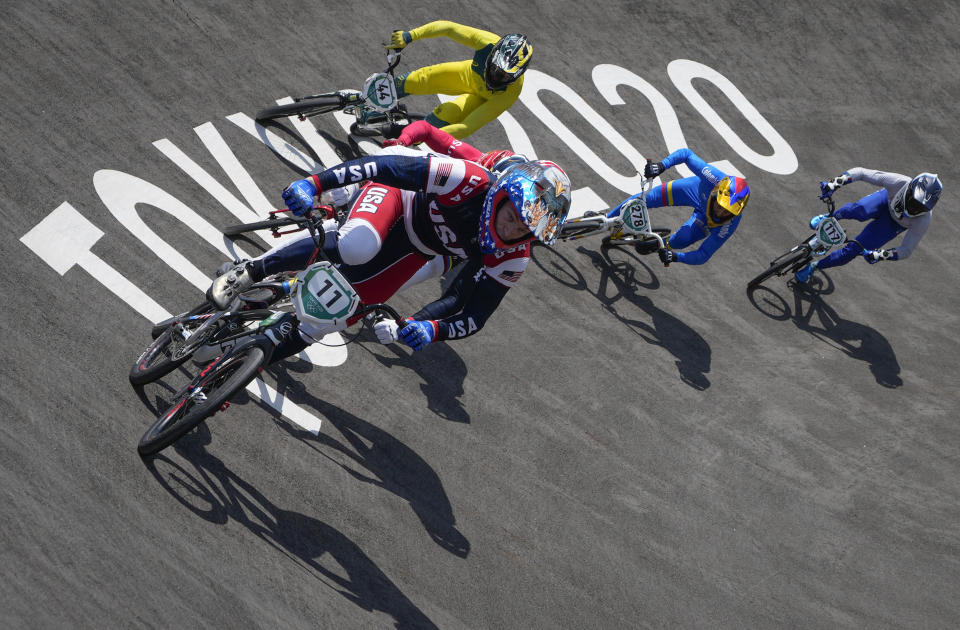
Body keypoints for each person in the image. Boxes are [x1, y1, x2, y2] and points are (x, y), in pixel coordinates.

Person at [207, 149, 571, 359]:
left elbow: (475, 314)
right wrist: (314, 184)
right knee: (356, 246)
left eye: (525, 229)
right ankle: (251, 270)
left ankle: (248, 359)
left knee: (337, 318)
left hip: (415, 249)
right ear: (505, 194)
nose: (512, 230)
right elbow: (384, 167)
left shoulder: (514, 257)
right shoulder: (468, 178)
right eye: (512, 217)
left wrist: (431, 329)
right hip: (398, 199)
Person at [384, 21, 532, 139]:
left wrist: (417, 135)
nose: (495, 77)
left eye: (504, 76)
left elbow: (466, 127)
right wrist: (410, 36)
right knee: (417, 79)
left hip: (482, 99)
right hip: (468, 76)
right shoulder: (487, 42)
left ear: (516, 76)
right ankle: (365, 99)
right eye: (495, 68)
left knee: (444, 117)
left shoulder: (511, 92)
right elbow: (448, 28)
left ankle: (408, 133)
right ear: (492, 54)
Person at [794, 169, 942, 283]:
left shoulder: (923, 220)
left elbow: (906, 250)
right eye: (913, 202)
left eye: (921, 207)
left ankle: (814, 266)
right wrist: (835, 183)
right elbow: (861, 173)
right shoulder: (898, 182)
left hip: (890, 225)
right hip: (884, 202)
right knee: (857, 211)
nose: (915, 208)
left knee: (852, 251)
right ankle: (829, 218)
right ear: (909, 189)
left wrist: (881, 255)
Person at [607, 148, 751, 266]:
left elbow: (704, 255)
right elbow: (686, 154)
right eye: (720, 205)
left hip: (704, 220)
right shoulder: (713, 178)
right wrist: (661, 165)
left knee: (682, 238)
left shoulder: (729, 225)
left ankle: (658, 244)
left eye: (727, 212)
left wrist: (675, 256)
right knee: (644, 199)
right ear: (716, 192)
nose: (720, 213)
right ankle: (607, 218)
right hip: (694, 191)